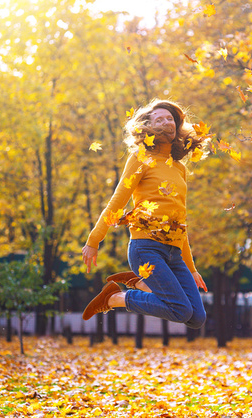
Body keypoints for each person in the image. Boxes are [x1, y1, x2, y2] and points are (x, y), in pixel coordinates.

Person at [81, 99, 208, 330]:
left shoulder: (179, 168)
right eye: (158, 119)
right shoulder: (141, 158)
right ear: (147, 127)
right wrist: (93, 240)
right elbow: (118, 200)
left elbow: (179, 220)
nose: (165, 122)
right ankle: (114, 298)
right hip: (146, 248)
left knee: (196, 318)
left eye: (170, 118)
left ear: (177, 126)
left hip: (173, 252)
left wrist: (192, 268)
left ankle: (141, 285)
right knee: (181, 310)